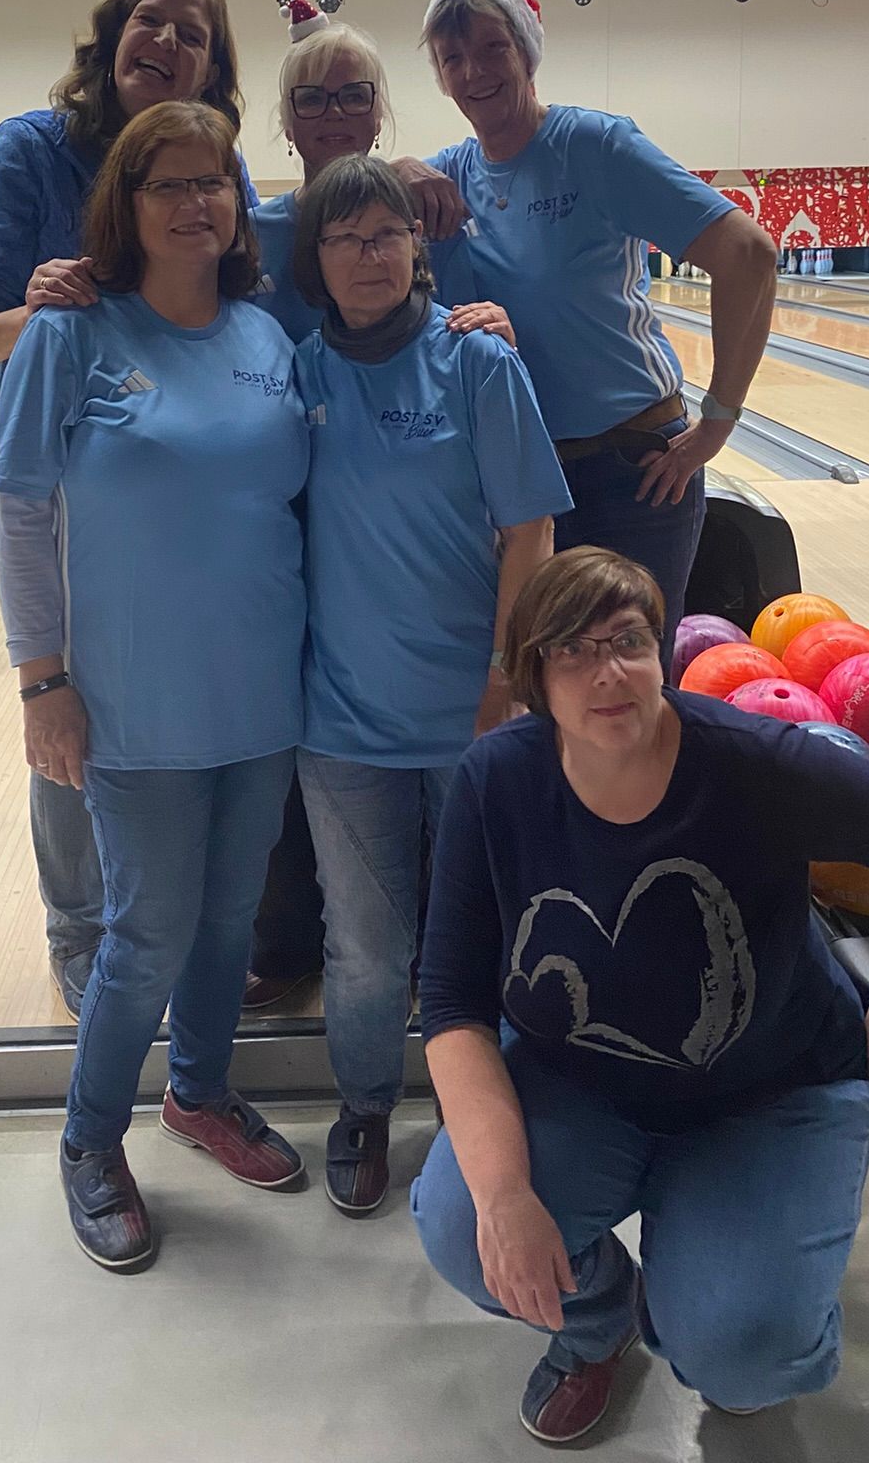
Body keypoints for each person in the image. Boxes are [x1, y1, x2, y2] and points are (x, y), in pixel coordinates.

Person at [412, 546, 869, 1445]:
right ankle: (600, 1323)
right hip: (578, 1085)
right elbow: (452, 1005)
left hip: (773, 1090)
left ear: (662, 654)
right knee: (467, 1224)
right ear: (530, 679)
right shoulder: (498, 781)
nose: (609, 672)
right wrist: (509, 1194)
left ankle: (711, 1283)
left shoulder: (753, 763)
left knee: (743, 1354)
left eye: (627, 640)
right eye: (573, 651)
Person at [0, 100, 308, 1274]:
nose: (194, 202)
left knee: (229, 920)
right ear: (124, 205)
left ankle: (203, 1092)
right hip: (131, 695)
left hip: (264, 690)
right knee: (147, 931)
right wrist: (42, 680)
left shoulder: (268, 336)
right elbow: (21, 517)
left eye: (212, 181)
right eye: (166, 183)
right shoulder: (68, 333)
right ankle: (88, 1136)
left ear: (237, 200)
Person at [0, 0, 258, 1022]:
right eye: (147, 21)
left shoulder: (221, 168)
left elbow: (251, 285)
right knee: (67, 706)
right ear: (112, 38)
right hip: (75, 471)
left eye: (192, 33)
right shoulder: (30, 150)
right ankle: (78, 926)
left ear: (212, 70)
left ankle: (180, 924)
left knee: (166, 708)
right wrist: (52, 317)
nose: (164, 40)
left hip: (186, 466)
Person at [289, 154, 570, 1217]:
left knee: (484, 933)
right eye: (342, 238)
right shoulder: (296, 375)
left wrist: (507, 682)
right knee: (364, 947)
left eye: (385, 233)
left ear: (419, 244)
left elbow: (531, 531)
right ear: (315, 261)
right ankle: (365, 1102)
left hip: (476, 714)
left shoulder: (477, 364)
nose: (365, 255)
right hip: (341, 719)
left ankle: (477, 1111)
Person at [243, 0, 511, 1016]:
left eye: (356, 93)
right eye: (314, 97)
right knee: (299, 748)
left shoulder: (432, 214)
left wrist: (493, 321)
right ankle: (300, 943)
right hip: (284, 520)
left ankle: (425, 971)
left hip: (395, 522)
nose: (336, 111)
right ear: (289, 116)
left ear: (381, 108)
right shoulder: (261, 233)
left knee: (401, 769)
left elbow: (472, 317)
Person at [398, 0, 778, 677]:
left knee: (629, 695)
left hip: (634, 474)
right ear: (441, 77)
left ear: (527, 51)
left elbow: (749, 254)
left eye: (492, 48)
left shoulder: (595, 146)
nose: (474, 71)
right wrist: (398, 166)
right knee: (541, 694)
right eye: (454, 59)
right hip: (521, 489)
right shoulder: (451, 175)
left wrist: (718, 422)